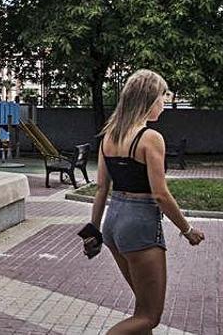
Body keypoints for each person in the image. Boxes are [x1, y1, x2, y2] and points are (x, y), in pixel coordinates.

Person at [83, 69, 205, 334]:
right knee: (149, 317)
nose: (164, 104)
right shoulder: (150, 138)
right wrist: (187, 230)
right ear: (148, 99)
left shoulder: (109, 136)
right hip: (139, 224)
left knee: (141, 309)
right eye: (162, 97)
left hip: (113, 223)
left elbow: (102, 188)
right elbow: (160, 194)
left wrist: (93, 230)